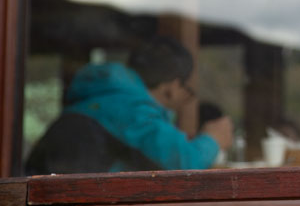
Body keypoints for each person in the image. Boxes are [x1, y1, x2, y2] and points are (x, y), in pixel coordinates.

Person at [26, 36, 233, 174]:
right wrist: (213, 139)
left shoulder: (105, 98)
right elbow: (186, 165)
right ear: (172, 86)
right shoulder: (131, 111)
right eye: (188, 92)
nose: (186, 99)